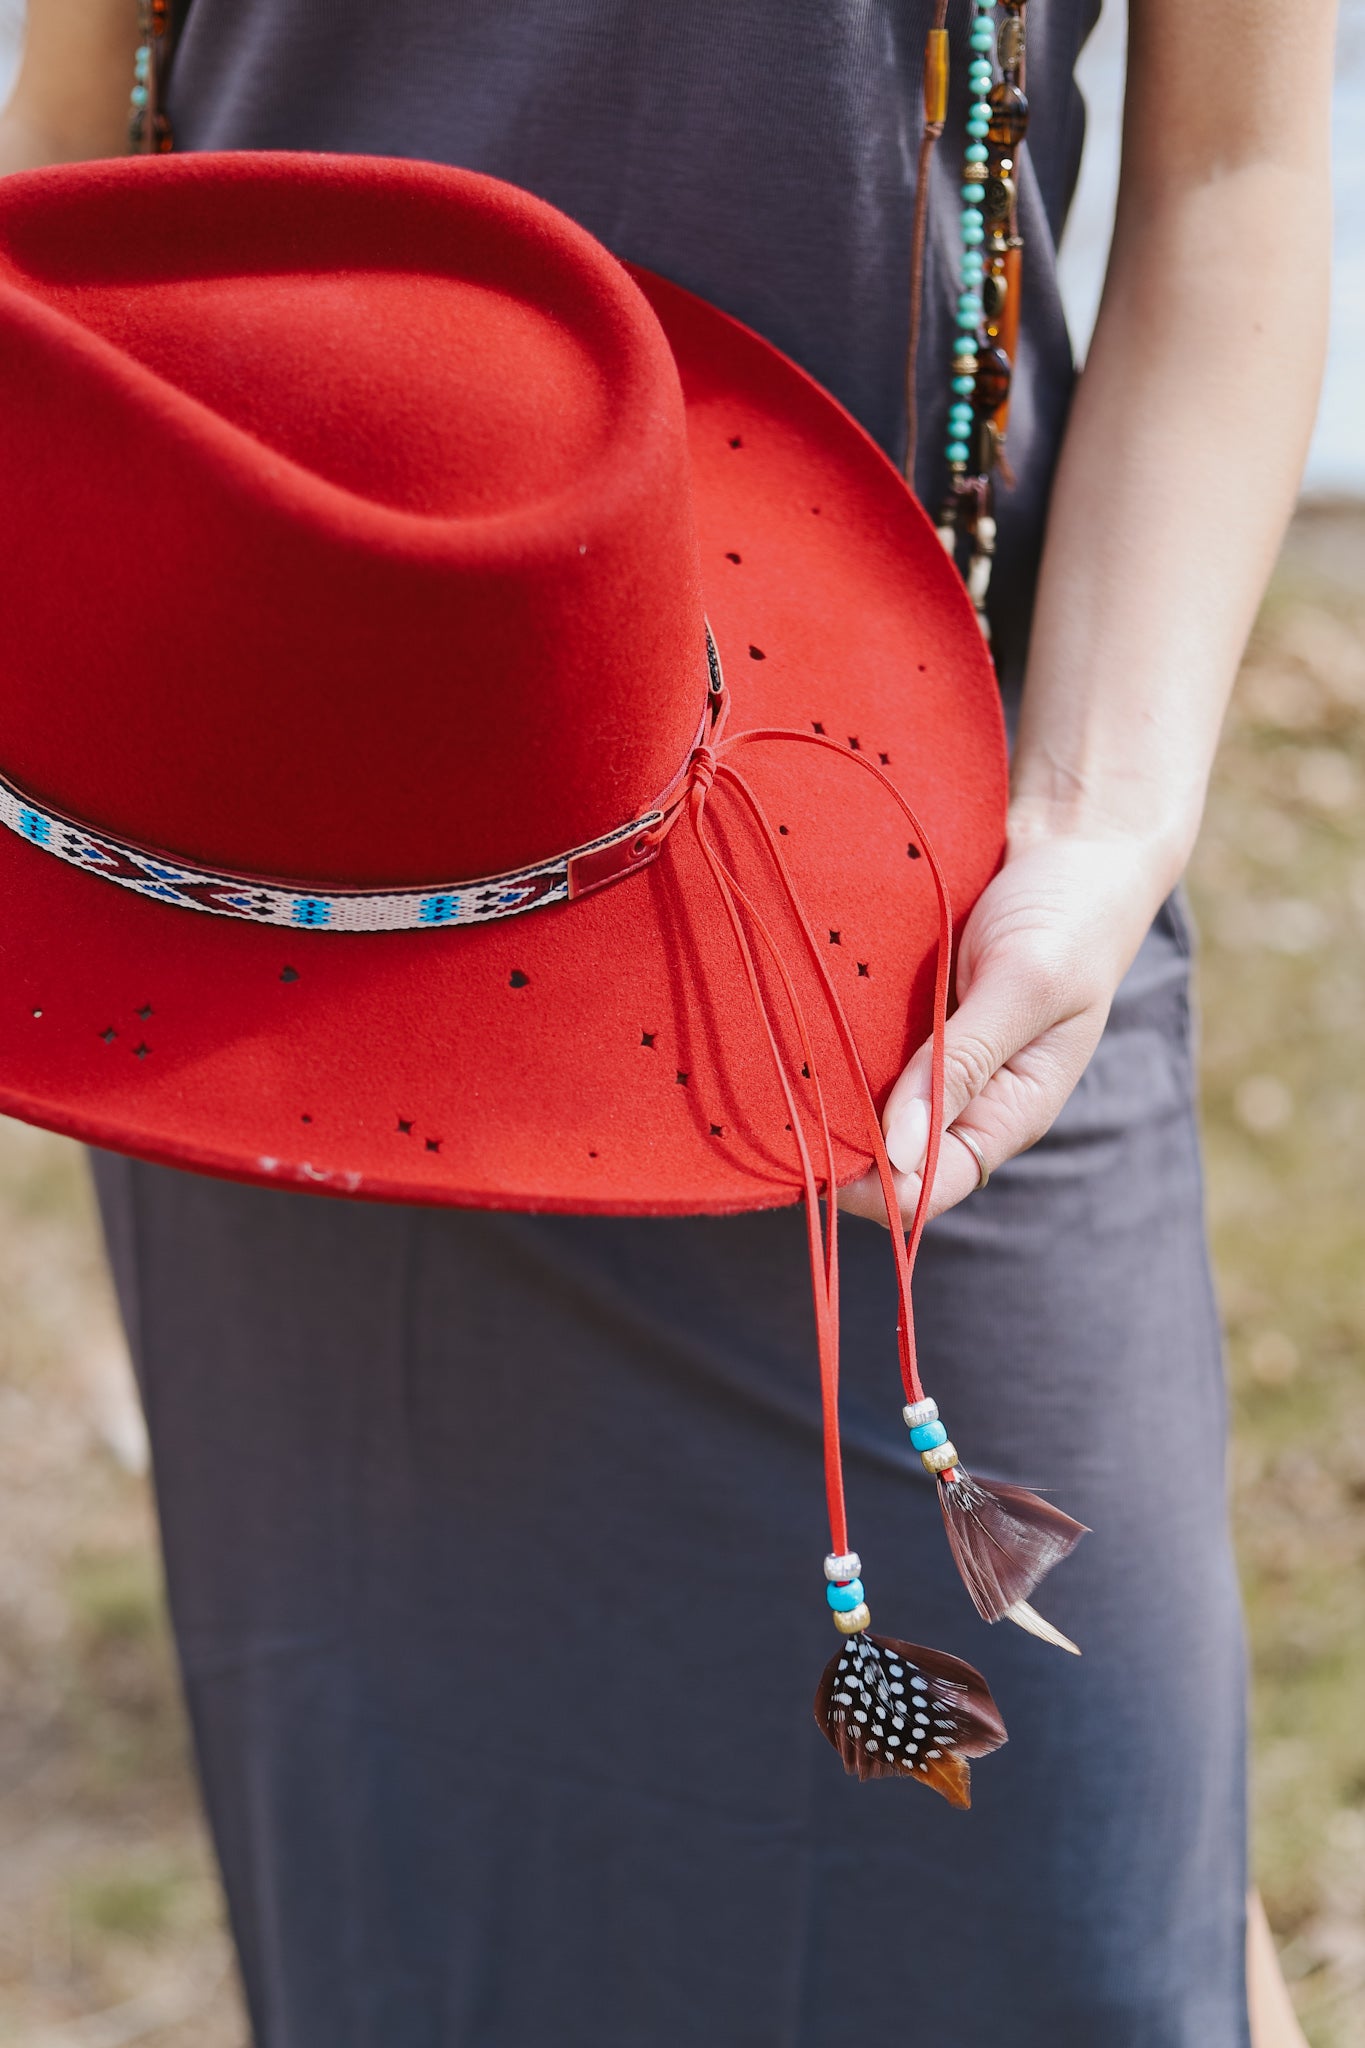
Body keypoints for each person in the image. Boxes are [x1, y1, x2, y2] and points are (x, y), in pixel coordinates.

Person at [0, 2, 1334, 2043]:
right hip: (296, 924)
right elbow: (81, 140)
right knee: (455, 1923)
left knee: (1078, 1897)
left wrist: (1096, 825)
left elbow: (1230, 174)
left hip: (928, 927)